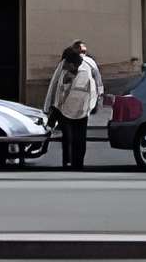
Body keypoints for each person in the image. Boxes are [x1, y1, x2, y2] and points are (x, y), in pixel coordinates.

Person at [43, 39, 103, 169]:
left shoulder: (88, 65)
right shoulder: (64, 66)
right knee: (68, 137)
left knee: (80, 138)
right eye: (80, 51)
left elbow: (97, 84)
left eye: (84, 52)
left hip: (82, 108)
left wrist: (96, 102)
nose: (83, 54)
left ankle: (78, 163)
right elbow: (56, 87)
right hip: (65, 109)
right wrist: (51, 106)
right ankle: (68, 162)